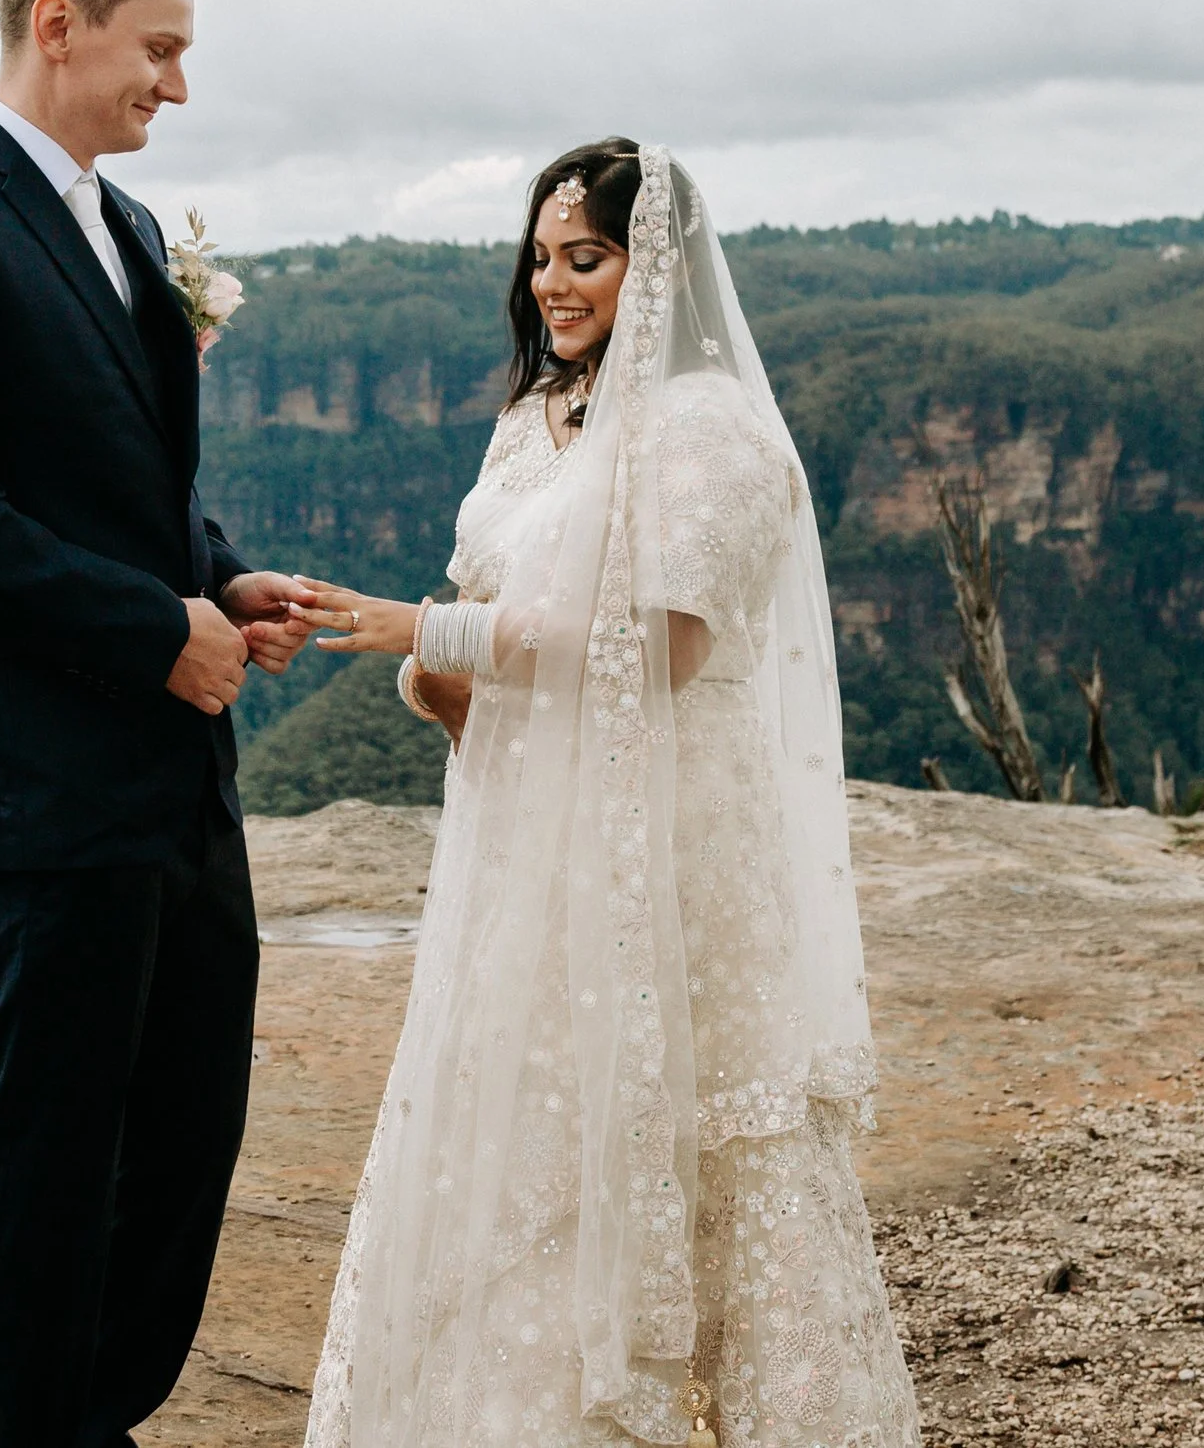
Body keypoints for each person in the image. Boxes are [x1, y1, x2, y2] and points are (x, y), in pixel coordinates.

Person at [290, 141, 920, 1446]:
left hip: (681, 855)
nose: (555, 284)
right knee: (541, 1137)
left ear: (660, 269)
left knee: (706, 1143)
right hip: (537, 850)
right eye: (540, 258)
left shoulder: (718, 432)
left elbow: (671, 645)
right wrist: (437, 675)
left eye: (586, 257)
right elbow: (498, 613)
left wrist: (424, 634)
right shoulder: (536, 422)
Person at [0, 0, 317, 1448]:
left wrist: (219, 570)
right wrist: (150, 629)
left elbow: (127, 478)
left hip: (177, 789)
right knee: (43, 1190)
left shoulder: (114, 225)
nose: (174, 85)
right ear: (61, 22)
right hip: (39, 799)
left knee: (178, 1156)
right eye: (157, 48)